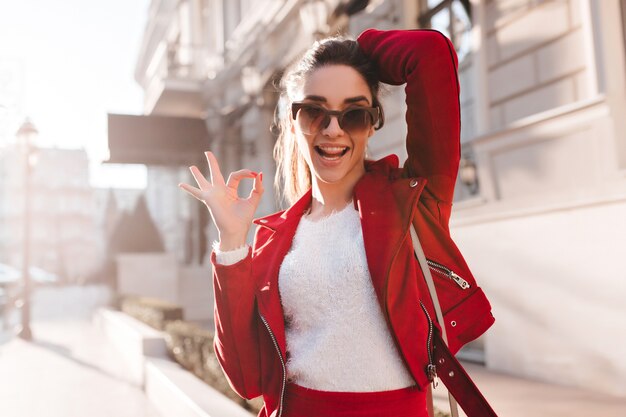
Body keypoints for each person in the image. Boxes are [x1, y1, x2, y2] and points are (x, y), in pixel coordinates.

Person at [179, 28, 495, 417]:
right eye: (314, 111)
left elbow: (428, 52)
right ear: (293, 122)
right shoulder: (272, 239)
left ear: (373, 122)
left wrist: (354, 49)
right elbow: (246, 378)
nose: (333, 129)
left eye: (354, 114)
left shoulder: (412, 204)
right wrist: (231, 241)